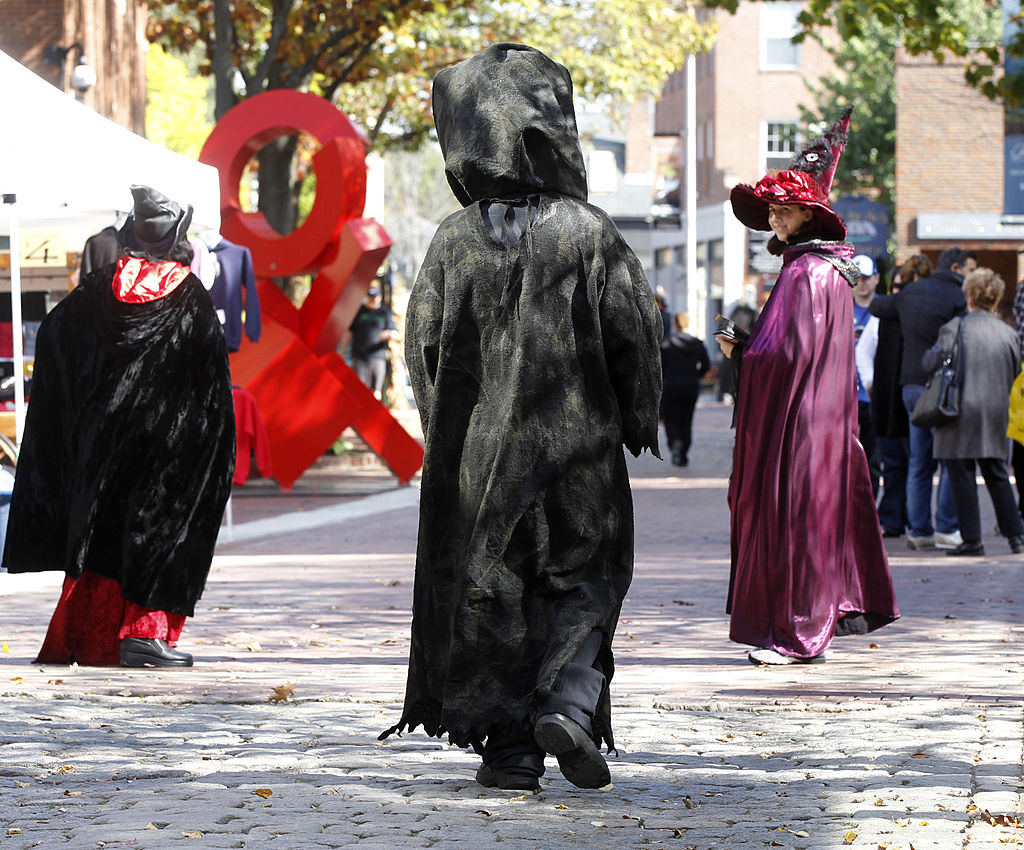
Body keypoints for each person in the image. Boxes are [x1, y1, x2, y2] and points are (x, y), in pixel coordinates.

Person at [379, 43, 663, 792]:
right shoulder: (588, 231)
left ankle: (509, 752)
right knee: (586, 575)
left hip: (479, 459)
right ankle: (568, 697)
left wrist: (448, 431)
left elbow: (423, 350)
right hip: (579, 452)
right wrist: (639, 413)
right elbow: (634, 335)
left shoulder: (453, 239)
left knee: (494, 590)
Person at [2, 185, 236, 668]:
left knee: (104, 528)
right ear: (177, 237)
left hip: (106, 437)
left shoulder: (100, 285)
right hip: (167, 442)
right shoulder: (189, 293)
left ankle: (89, 636)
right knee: (160, 528)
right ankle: (144, 633)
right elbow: (210, 379)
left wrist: (84, 403)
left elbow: (54, 333)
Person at [717, 107, 899, 666]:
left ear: (808, 214)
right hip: (819, 423)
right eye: (771, 209)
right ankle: (802, 625)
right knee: (809, 519)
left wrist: (740, 353)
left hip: (800, 425)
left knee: (796, 519)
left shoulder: (807, 272)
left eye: (784, 208)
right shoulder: (822, 270)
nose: (774, 217)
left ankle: (798, 633)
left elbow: (789, 354)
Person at [870, 247, 975, 550]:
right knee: (949, 460)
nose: (970, 276)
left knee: (919, 461)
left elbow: (877, 306)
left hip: (911, 388)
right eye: (969, 270)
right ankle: (947, 527)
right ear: (955, 268)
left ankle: (919, 530)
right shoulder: (958, 297)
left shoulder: (910, 293)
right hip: (944, 387)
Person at [923, 268, 1024, 556]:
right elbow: (1015, 371)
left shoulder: (955, 327)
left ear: (969, 295)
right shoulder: (1008, 333)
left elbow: (930, 362)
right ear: (996, 298)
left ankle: (972, 540)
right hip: (995, 411)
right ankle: (1016, 536)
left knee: (961, 476)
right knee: (997, 474)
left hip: (958, 410)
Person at [872, 255, 931, 537]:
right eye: (896, 288)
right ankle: (896, 518)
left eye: (903, 287)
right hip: (889, 398)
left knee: (917, 462)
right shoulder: (887, 312)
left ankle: (915, 520)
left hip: (912, 393)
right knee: (896, 463)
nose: (901, 294)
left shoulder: (909, 310)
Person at [660, 312, 710, 467]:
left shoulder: (666, 344)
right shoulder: (697, 344)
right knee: (686, 420)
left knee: (670, 419)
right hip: (691, 386)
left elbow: (659, 366)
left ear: (675, 324)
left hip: (671, 385)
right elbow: (706, 365)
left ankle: (675, 442)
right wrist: (695, 376)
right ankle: (683, 454)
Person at [852, 254, 880, 493]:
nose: (861, 283)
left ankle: (871, 508)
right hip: (844, 396)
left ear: (876, 278)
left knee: (873, 460)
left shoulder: (885, 309)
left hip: (873, 396)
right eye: (856, 278)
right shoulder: (838, 307)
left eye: (866, 277)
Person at [348, 282, 398, 396]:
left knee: (376, 392)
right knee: (360, 391)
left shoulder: (384, 313)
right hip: (359, 357)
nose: (371, 300)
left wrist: (388, 334)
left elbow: (395, 334)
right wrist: (343, 351)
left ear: (379, 297)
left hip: (377, 357)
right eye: (369, 297)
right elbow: (350, 332)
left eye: (374, 297)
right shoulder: (360, 311)